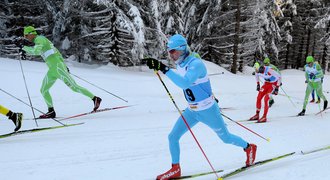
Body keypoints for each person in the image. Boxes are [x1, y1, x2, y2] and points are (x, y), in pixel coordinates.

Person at [144, 34, 257, 180]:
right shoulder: (180, 63)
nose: (171, 54)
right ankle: (175, 168)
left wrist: (163, 68)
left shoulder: (196, 64)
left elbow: (185, 83)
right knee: (173, 137)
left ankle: (249, 147)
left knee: (226, 138)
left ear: (182, 49)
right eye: (169, 51)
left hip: (208, 111)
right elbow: (198, 84)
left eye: (173, 51)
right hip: (192, 110)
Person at [21, 26, 102, 118]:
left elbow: (35, 51)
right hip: (53, 70)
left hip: (57, 68)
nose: (25, 38)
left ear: (32, 34)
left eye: (26, 35)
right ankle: (51, 111)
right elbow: (56, 52)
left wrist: (23, 47)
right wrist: (64, 65)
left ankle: (95, 98)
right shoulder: (40, 41)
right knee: (43, 90)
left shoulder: (40, 39)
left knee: (74, 87)